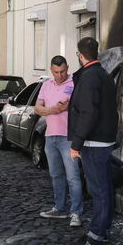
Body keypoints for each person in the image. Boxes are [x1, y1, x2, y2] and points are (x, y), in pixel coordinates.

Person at [67, 38, 119, 245]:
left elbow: (88, 113)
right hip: (102, 140)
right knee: (104, 188)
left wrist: (76, 143)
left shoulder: (89, 77)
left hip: (94, 142)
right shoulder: (104, 74)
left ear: (80, 55)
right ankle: (102, 230)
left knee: (99, 190)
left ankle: (97, 235)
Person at [35, 55, 82, 227]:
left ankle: (76, 213)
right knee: (56, 175)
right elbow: (37, 108)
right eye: (56, 72)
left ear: (67, 68)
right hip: (50, 136)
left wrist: (61, 107)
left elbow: (74, 106)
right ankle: (59, 208)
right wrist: (52, 110)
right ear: (51, 70)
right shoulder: (46, 85)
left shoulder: (74, 84)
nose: (60, 75)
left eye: (62, 71)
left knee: (73, 177)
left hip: (68, 137)